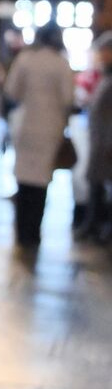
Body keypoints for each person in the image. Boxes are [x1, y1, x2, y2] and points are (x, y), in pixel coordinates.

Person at [4, 23, 76, 249]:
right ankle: (33, 233)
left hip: (26, 124)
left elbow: (12, 91)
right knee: (41, 182)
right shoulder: (61, 64)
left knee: (24, 180)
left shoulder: (25, 59)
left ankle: (21, 231)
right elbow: (68, 98)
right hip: (50, 127)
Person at [80, 33, 112, 242]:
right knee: (95, 184)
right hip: (99, 140)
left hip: (106, 143)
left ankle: (101, 227)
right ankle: (93, 225)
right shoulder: (105, 76)